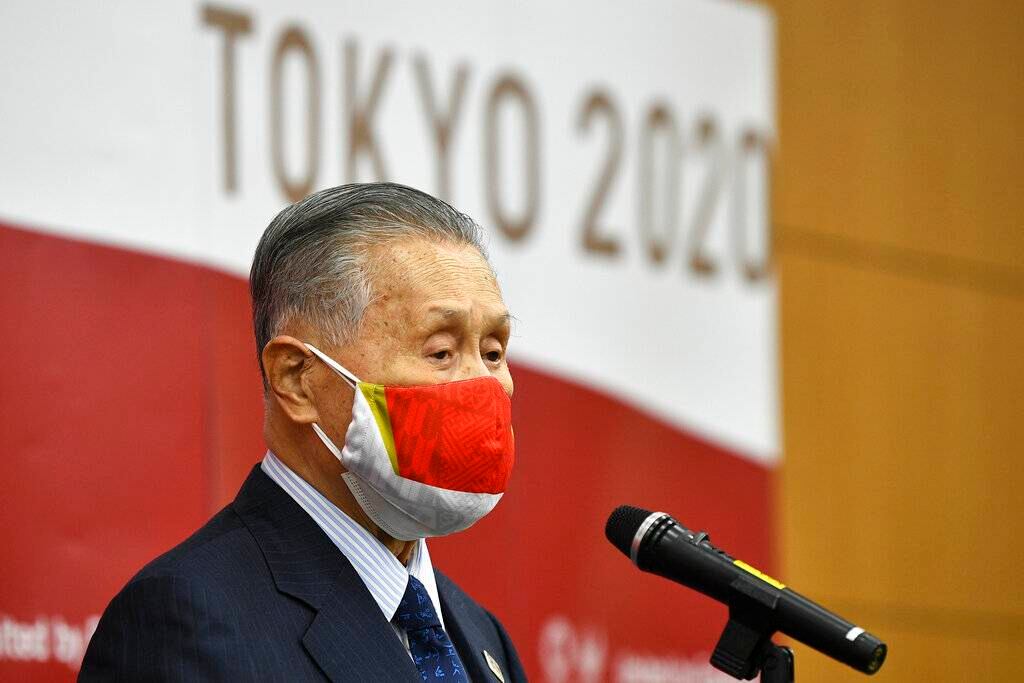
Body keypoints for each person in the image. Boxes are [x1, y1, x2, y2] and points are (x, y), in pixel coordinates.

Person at [80, 183, 526, 682]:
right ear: (296, 378)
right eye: (440, 351)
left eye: (493, 352)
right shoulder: (186, 621)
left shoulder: (481, 634)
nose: (484, 385)